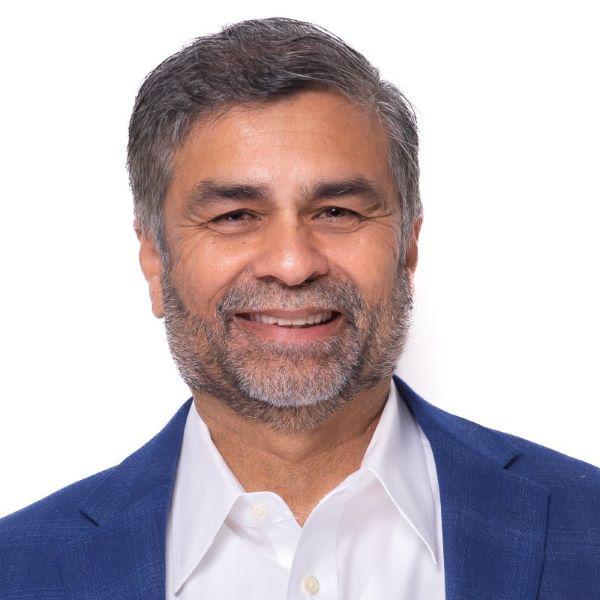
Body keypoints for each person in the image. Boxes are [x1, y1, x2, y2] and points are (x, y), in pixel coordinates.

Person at [0, 16, 598, 600]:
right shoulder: (18, 570)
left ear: (408, 248)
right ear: (155, 261)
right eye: (235, 216)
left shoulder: (587, 526)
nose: (292, 263)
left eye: (337, 212)